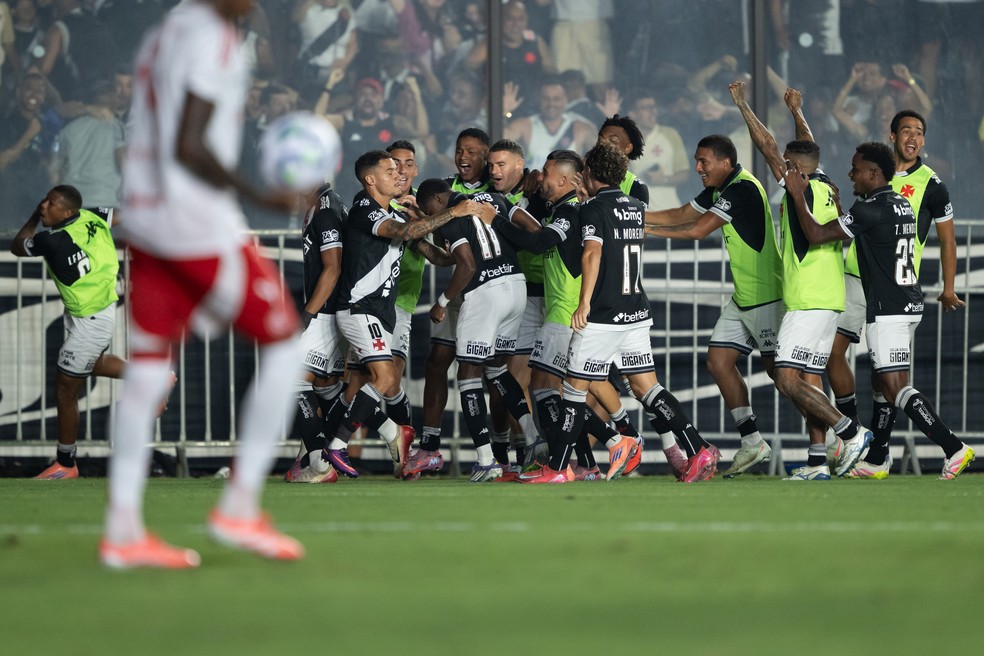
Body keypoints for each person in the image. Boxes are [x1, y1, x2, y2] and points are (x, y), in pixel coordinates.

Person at [101, 0, 308, 570]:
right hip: (194, 221)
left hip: (144, 216)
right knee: (286, 344)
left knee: (146, 371)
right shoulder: (213, 38)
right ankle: (239, 507)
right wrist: (259, 194)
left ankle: (122, 530)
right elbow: (189, 145)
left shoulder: (165, 30)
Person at [782, 142, 975, 481]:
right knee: (884, 384)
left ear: (873, 173)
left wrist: (799, 194)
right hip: (906, 302)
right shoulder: (899, 203)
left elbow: (815, 234)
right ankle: (876, 460)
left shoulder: (871, 209)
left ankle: (953, 447)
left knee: (897, 388)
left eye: (856, 169)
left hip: (888, 309)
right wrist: (842, 206)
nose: (850, 173)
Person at [525, 140, 715, 484]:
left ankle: (558, 469)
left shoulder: (593, 209)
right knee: (647, 388)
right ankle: (698, 447)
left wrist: (584, 303)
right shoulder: (633, 205)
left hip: (604, 315)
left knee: (572, 389)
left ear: (590, 173)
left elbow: (592, 254)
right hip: (635, 311)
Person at [322, 149, 487, 479]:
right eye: (388, 170)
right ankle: (339, 444)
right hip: (358, 309)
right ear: (371, 180)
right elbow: (405, 234)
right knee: (383, 380)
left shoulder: (395, 217)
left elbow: (438, 257)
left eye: (399, 169)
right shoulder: (365, 210)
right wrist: (453, 212)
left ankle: (392, 435)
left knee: (374, 384)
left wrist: (467, 245)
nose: (397, 174)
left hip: (380, 315)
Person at [834, 109, 966, 478]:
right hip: (857, 280)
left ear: (923, 140)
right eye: (906, 130)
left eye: (919, 132)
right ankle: (856, 442)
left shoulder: (933, 185)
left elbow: (947, 238)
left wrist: (949, 286)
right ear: (891, 136)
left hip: (892, 289)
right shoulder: (871, 173)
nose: (913, 137)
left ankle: (878, 451)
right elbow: (858, 221)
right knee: (836, 355)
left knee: (888, 381)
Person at [728, 80, 847, 479]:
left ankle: (849, 432)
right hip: (830, 298)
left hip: (806, 299)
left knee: (784, 376)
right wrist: (797, 110)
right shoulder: (825, 184)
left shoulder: (799, 186)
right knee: (809, 380)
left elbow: (768, 147)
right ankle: (817, 461)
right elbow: (805, 146)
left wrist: (743, 105)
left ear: (794, 169)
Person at [644, 134, 781, 463]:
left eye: (704, 161)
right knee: (719, 362)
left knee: (785, 379)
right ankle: (752, 441)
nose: (697, 167)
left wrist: (642, 230)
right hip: (744, 298)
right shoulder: (722, 188)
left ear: (725, 163)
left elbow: (696, 230)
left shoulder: (742, 188)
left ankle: (836, 437)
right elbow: (682, 214)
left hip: (767, 297)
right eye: (696, 160)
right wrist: (636, 216)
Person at [416, 178, 536, 482]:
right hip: (516, 287)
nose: (432, 217)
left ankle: (486, 460)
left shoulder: (453, 213)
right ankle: (535, 438)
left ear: (438, 200)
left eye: (429, 210)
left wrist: (441, 302)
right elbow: (531, 227)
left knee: (468, 375)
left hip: (485, 293)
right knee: (497, 370)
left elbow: (466, 265)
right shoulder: (492, 199)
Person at [10, 185, 125, 479]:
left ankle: (66, 464)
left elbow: (17, 245)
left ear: (68, 211)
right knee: (91, 365)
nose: (44, 205)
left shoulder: (52, 241)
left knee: (65, 388)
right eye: (45, 199)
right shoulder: (94, 216)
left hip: (91, 318)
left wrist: (33, 219)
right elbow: (122, 216)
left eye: (51, 203)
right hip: (93, 310)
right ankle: (153, 378)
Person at [403, 128, 491, 478]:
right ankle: (430, 447)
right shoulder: (444, 191)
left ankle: (503, 452)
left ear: (486, 156)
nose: (463, 156)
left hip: (490, 291)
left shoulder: (496, 189)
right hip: (458, 289)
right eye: (459, 150)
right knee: (438, 361)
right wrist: (419, 228)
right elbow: (446, 253)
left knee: (495, 371)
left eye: (472, 151)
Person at [283, 181, 348, 484]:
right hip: (331, 311)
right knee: (327, 389)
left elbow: (332, 267)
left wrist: (308, 314)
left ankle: (320, 464)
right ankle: (388, 429)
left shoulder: (326, 211)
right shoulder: (319, 207)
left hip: (326, 312)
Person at [504, 76, 594, 170]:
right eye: (546, 98)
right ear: (539, 99)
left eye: (556, 99)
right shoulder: (525, 125)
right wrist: (504, 111)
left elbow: (602, 155)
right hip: (534, 183)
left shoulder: (580, 128)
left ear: (566, 100)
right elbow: (498, 142)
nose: (551, 103)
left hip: (569, 184)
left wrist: (609, 120)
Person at [597, 113, 649, 204]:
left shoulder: (636, 188)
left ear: (628, 148)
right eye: (600, 140)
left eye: (612, 141)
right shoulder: (580, 176)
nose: (602, 145)